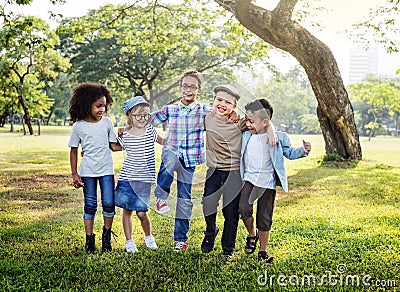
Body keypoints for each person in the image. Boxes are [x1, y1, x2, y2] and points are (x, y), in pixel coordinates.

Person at [201, 85, 276, 258]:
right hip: (213, 170)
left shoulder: (241, 121)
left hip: (233, 173)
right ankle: (211, 230)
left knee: (230, 213)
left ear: (234, 107)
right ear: (213, 100)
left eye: (228, 102)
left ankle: (228, 249)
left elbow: (261, 120)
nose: (222, 104)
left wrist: (271, 129)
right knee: (208, 205)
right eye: (219, 100)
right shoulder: (207, 117)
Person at [239, 98, 311, 264]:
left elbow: (290, 153)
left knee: (264, 218)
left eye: (251, 121)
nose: (248, 124)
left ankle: (263, 250)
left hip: (268, 183)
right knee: (243, 208)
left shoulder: (278, 137)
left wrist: (303, 151)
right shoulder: (245, 136)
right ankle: (251, 234)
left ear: (265, 122)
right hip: (249, 179)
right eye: (246, 120)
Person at [150, 70, 211, 251]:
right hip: (172, 152)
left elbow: (222, 116)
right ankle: (161, 197)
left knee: (185, 198)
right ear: (180, 88)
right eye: (185, 86)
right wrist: (129, 125)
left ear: (199, 90)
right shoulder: (171, 109)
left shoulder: (203, 110)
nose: (188, 90)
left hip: (190, 159)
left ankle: (181, 238)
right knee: (169, 157)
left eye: (193, 87)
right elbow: (148, 121)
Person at [68, 82, 120, 254]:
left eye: (104, 106)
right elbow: (74, 151)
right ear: (86, 104)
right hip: (87, 172)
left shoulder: (106, 123)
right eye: (98, 106)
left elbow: (114, 146)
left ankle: (106, 238)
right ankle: (89, 240)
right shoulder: (78, 126)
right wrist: (75, 174)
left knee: (109, 204)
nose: (102, 110)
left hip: (106, 170)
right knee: (90, 206)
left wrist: (130, 142)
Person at [114, 96, 165, 253]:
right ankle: (129, 242)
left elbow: (164, 142)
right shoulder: (125, 134)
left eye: (146, 115)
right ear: (130, 115)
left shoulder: (150, 131)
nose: (142, 118)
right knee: (126, 211)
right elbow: (115, 147)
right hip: (126, 179)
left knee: (142, 213)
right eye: (138, 115)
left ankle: (148, 236)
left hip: (144, 180)